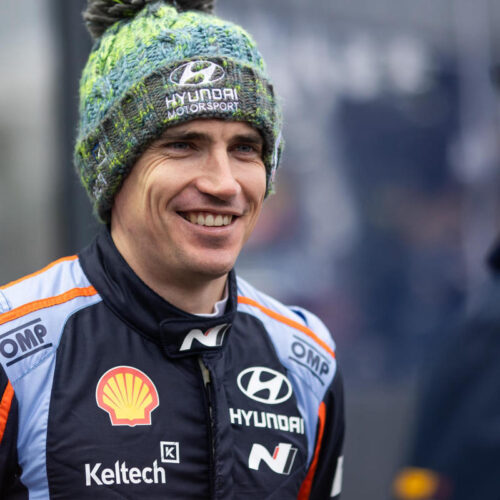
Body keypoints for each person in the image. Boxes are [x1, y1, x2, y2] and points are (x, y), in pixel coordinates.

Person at [0, 1, 344, 498]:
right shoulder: (15, 353)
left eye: (245, 148)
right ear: (113, 172)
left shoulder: (307, 359)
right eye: (183, 144)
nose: (224, 183)